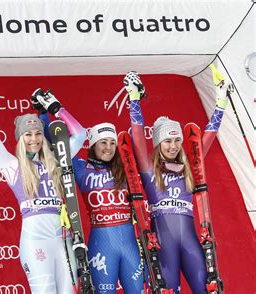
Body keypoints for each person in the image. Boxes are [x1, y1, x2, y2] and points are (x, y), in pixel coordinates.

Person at [0, 73, 87, 293]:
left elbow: (81, 134)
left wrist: (56, 108)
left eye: (38, 133)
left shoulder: (56, 162)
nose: (34, 139)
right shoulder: (13, 166)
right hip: (35, 241)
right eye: (27, 134)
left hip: (62, 238)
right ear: (20, 138)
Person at [123, 71, 230, 293]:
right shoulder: (148, 167)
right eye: (167, 141)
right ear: (158, 143)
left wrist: (221, 103)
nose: (172, 146)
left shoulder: (190, 166)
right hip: (164, 245)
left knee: (207, 290)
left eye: (176, 140)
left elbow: (208, 135)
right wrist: (134, 98)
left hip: (190, 244)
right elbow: (137, 136)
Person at [32, 96, 144, 293]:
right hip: (101, 243)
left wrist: (134, 99)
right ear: (93, 144)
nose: (108, 148)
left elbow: (138, 135)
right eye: (103, 143)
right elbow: (58, 146)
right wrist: (43, 113)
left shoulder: (126, 168)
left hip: (130, 245)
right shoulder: (82, 168)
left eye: (112, 142)